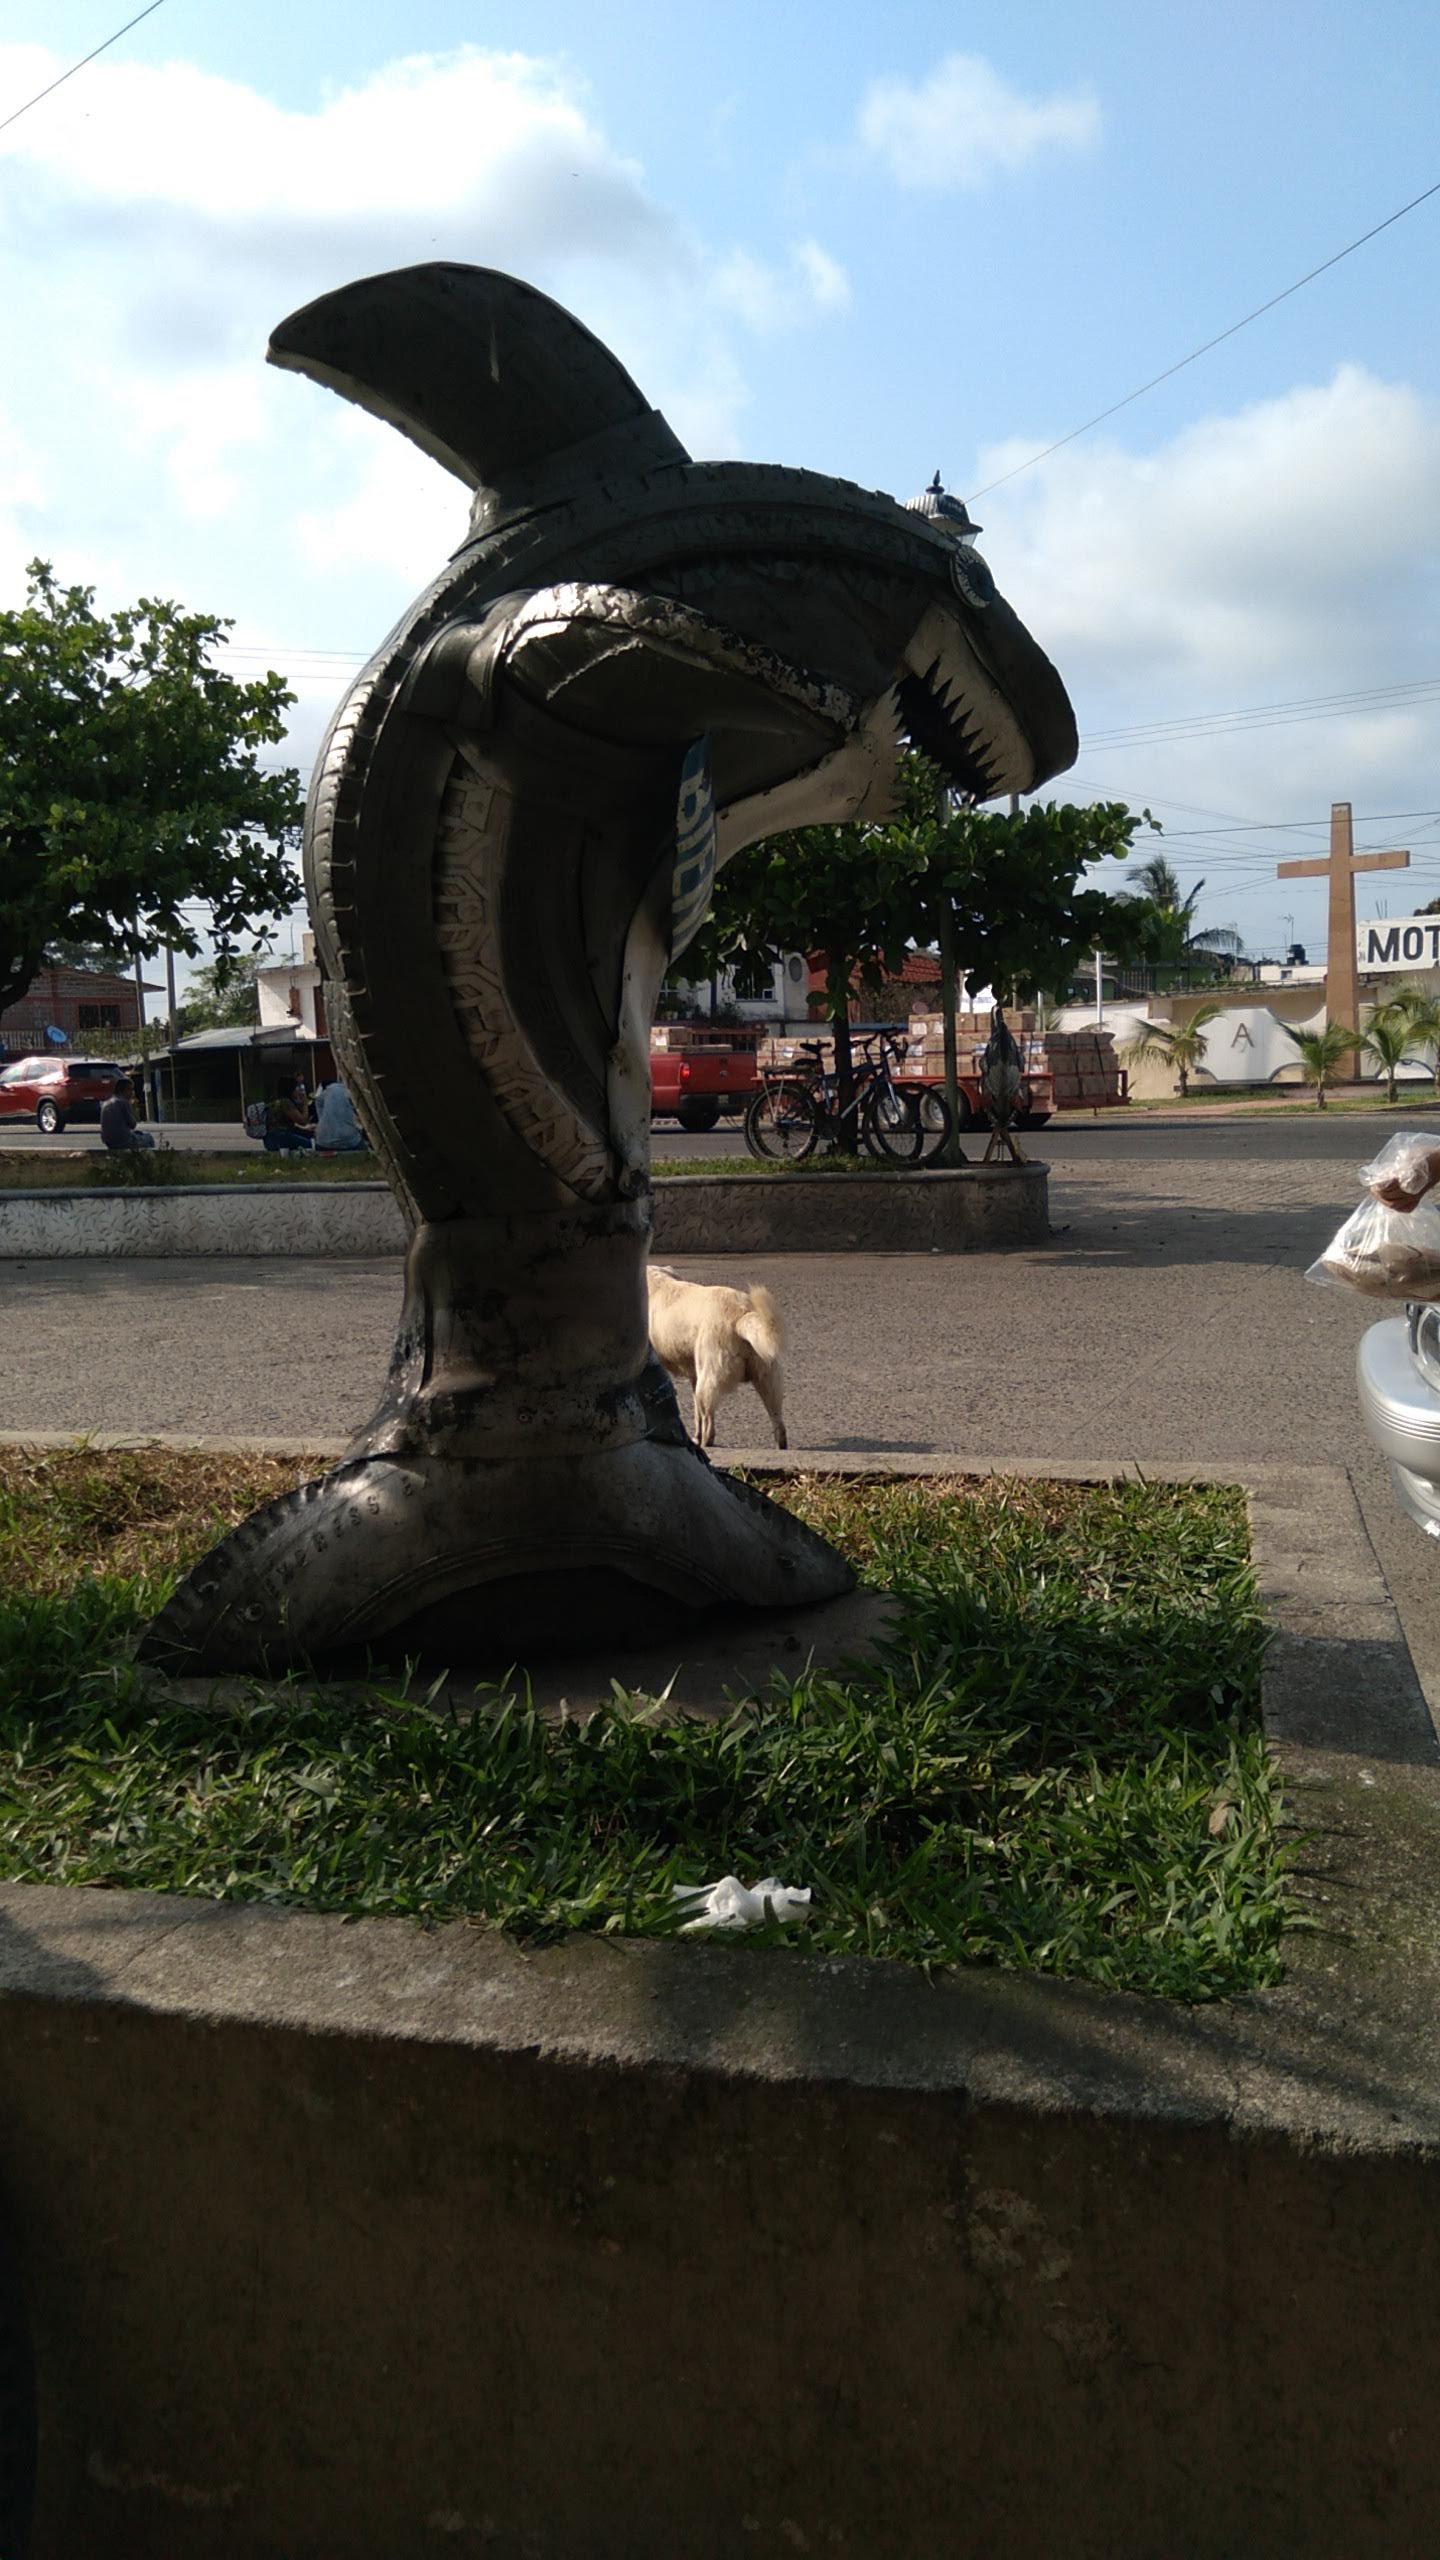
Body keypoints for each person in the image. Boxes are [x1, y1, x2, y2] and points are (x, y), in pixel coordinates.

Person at [99, 1076, 156, 1152]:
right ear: (122, 1090)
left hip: (109, 1142)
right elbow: (133, 1124)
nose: (132, 1093)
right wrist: (133, 1108)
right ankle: (145, 1161)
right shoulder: (123, 1102)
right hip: (124, 1141)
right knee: (149, 1138)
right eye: (130, 1090)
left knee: (139, 1133)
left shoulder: (105, 1103)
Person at [313, 1078, 367, 1152]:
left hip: (323, 1142)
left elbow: (318, 1101)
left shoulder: (331, 1089)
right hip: (349, 1141)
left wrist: (322, 1120)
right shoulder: (353, 1092)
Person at [262, 1079, 314, 1153]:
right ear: (291, 1090)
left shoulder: (275, 1101)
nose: (299, 1091)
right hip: (281, 1138)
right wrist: (305, 1103)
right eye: (297, 1088)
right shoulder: (285, 1103)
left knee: (310, 1135)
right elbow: (303, 1121)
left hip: (270, 1139)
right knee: (311, 1144)